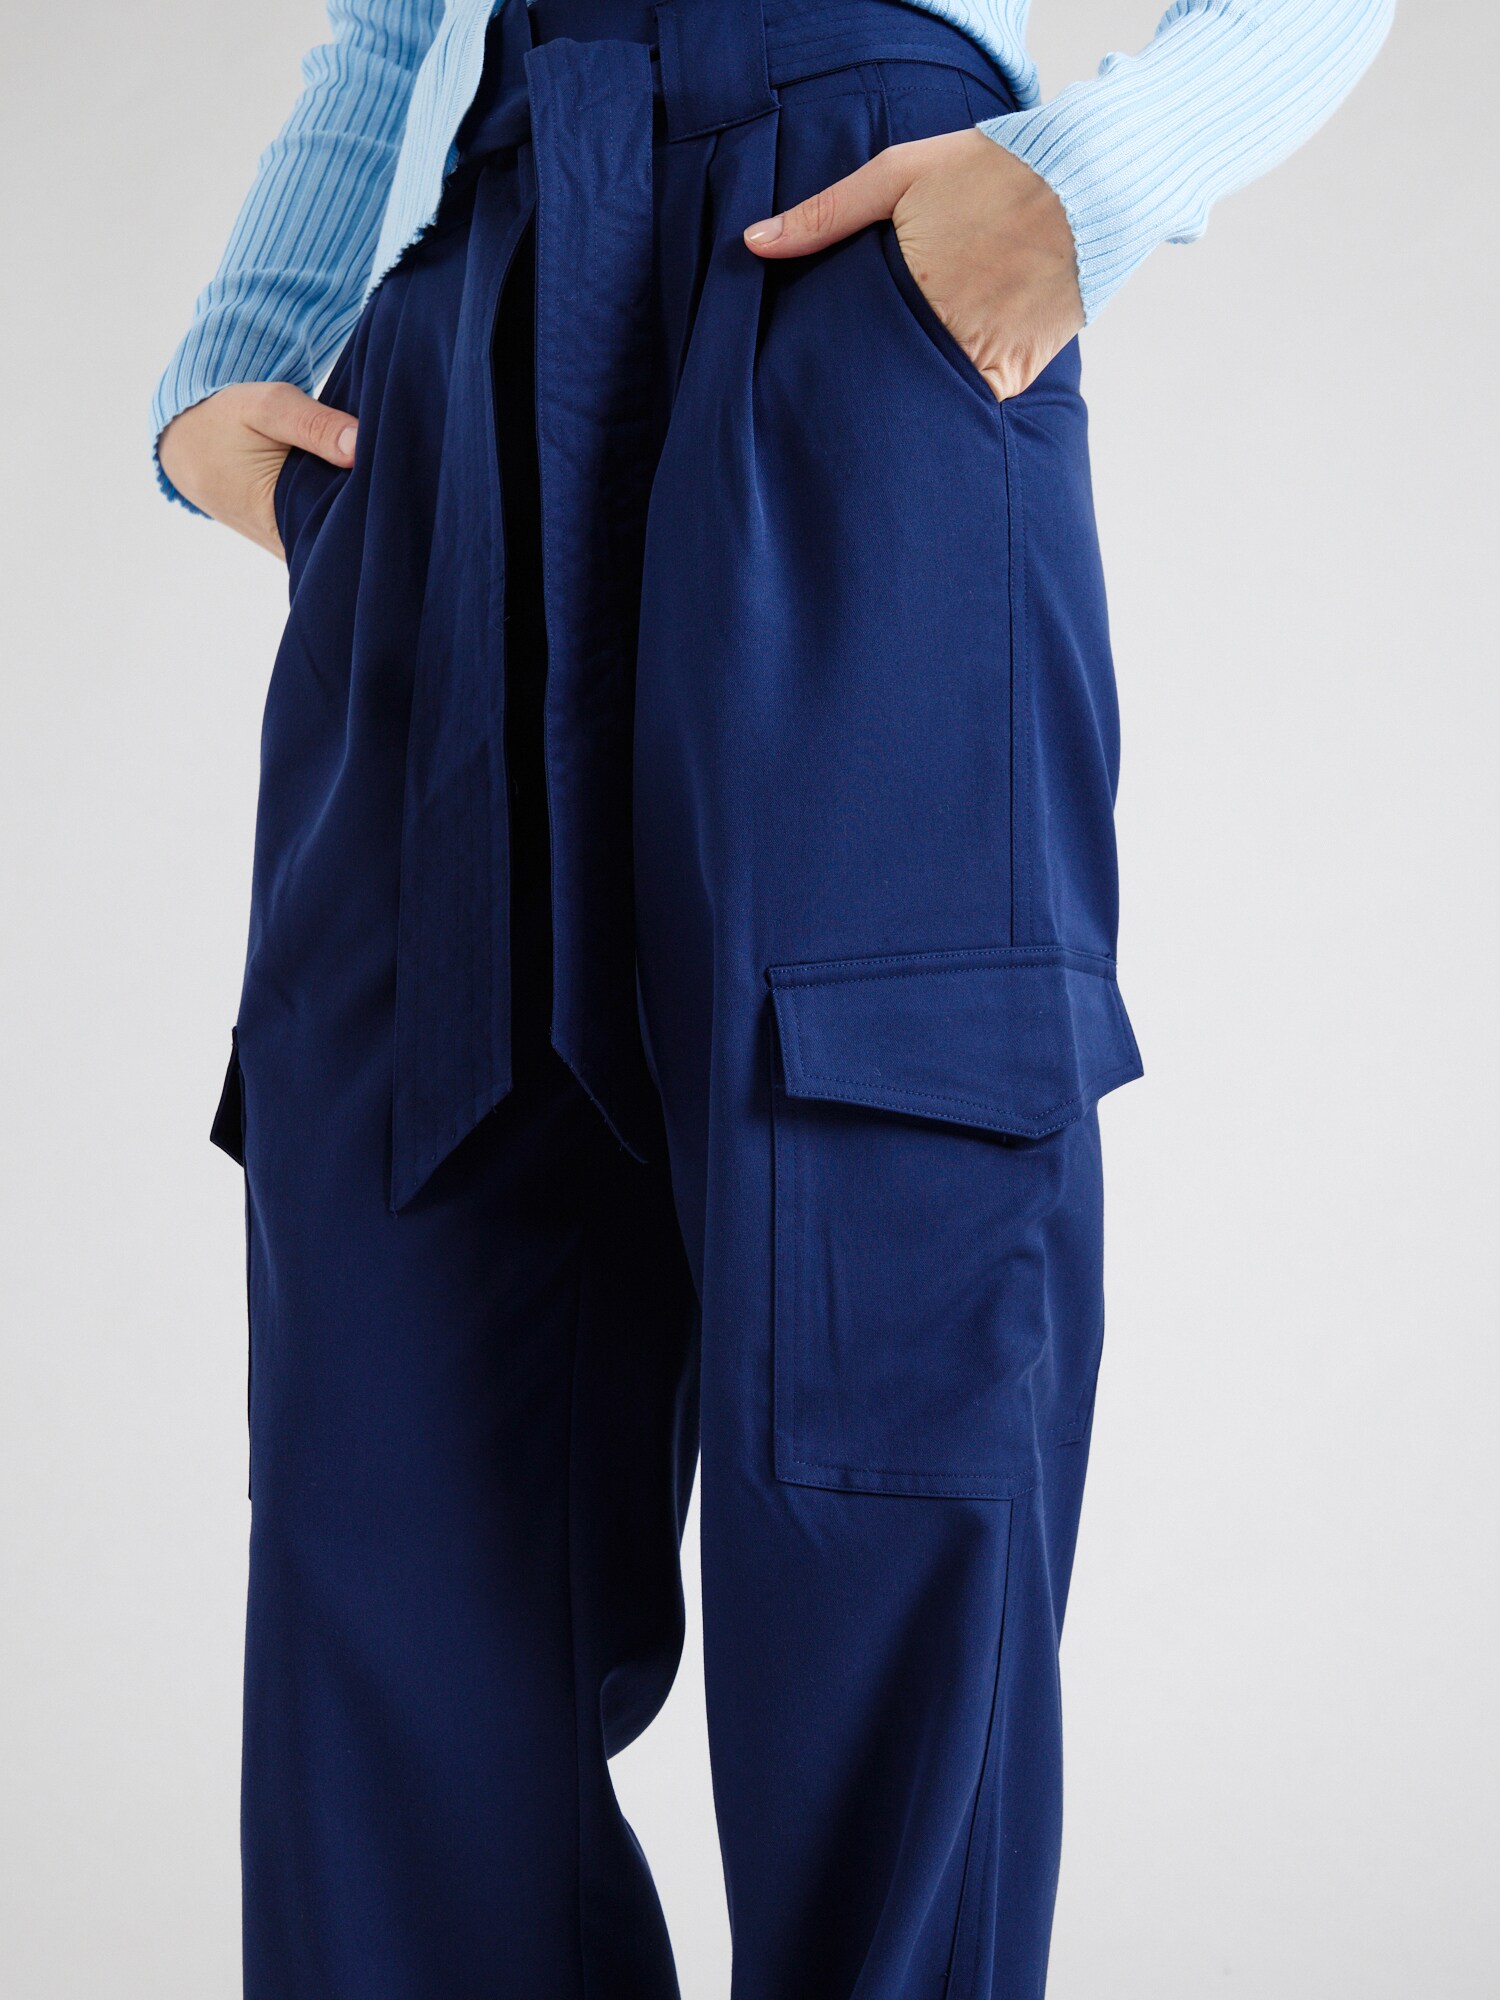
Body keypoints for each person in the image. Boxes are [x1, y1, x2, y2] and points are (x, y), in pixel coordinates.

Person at [149, 0, 1393, 1993]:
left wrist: (1090, 185)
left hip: (848, 260)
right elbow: (390, 25)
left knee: (883, 1379)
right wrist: (238, 358)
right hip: (463, 328)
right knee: (392, 1469)